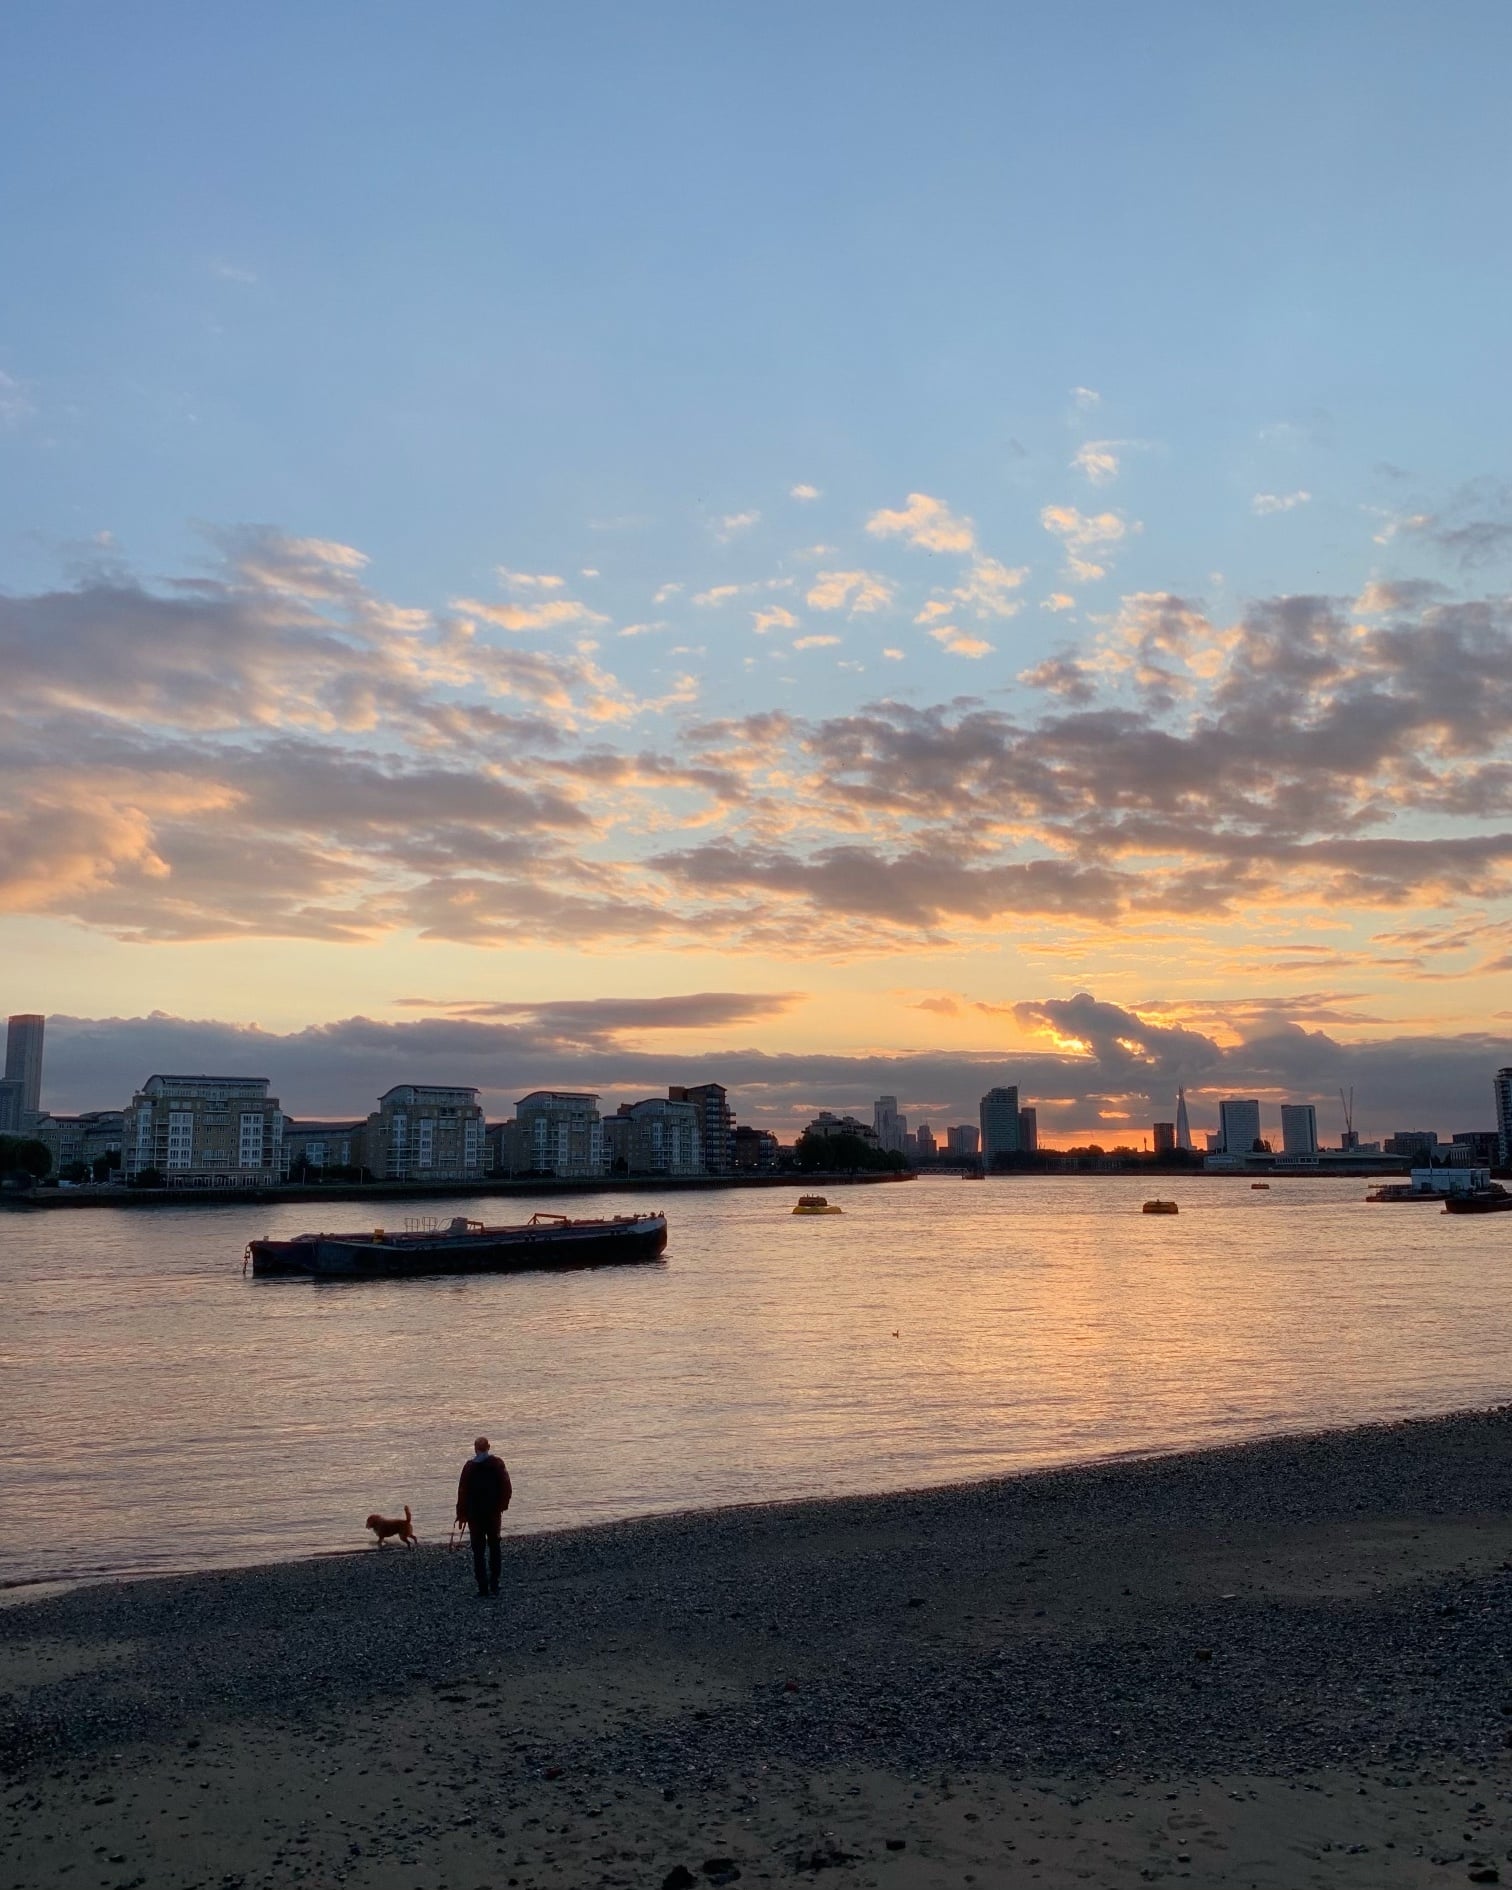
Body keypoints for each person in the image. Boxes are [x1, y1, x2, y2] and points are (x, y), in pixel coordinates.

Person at [456, 1435, 512, 1598]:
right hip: (493, 1513)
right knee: (494, 1546)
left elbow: (462, 1492)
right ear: (488, 1447)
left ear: (475, 1448)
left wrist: (461, 1514)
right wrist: (502, 1506)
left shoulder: (469, 1467)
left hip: (475, 1514)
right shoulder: (497, 1464)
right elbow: (507, 1487)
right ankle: (494, 1583)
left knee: (478, 1551)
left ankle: (483, 1587)